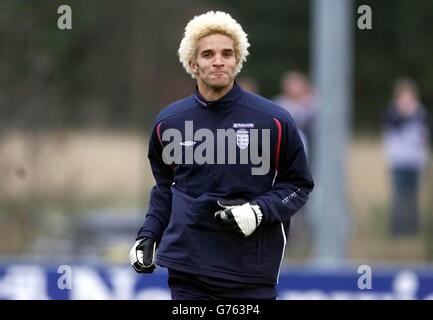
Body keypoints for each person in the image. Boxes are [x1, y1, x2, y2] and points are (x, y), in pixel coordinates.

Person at [129, 11, 314, 300]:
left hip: (251, 271)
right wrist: (148, 233)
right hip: (188, 270)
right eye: (208, 54)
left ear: (237, 60)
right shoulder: (169, 123)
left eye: (227, 53)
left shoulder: (274, 120)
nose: (218, 61)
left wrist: (259, 210)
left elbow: (298, 185)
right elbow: (165, 187)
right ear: (193, 63)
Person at [383, 78, 430, 236]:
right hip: (398, 161)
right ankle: (397, 229)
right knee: (399, 196)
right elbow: (395, 125)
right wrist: (408, 114)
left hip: (415, 161)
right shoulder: (393, 112)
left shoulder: (420, 112)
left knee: (412, 196)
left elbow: (423, 134)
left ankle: (413, 229)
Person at [274, 71, 315, 159]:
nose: (294, 88)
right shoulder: (280, 102)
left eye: (297, 84)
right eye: (291, 85)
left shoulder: (311, 102)